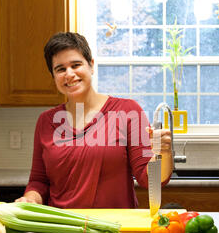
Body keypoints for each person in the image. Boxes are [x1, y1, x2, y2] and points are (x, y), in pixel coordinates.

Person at [15, 32, 173, 208]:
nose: (69, 74)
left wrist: (163, 153)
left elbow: (149, 179)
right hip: (62, 227)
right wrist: (30, 199)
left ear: (91, 65)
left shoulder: (128, 111)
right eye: (60, 69)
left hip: (114, 228)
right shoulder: (46, 121)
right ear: (53, 76)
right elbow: (39, 181)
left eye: (76, 65)